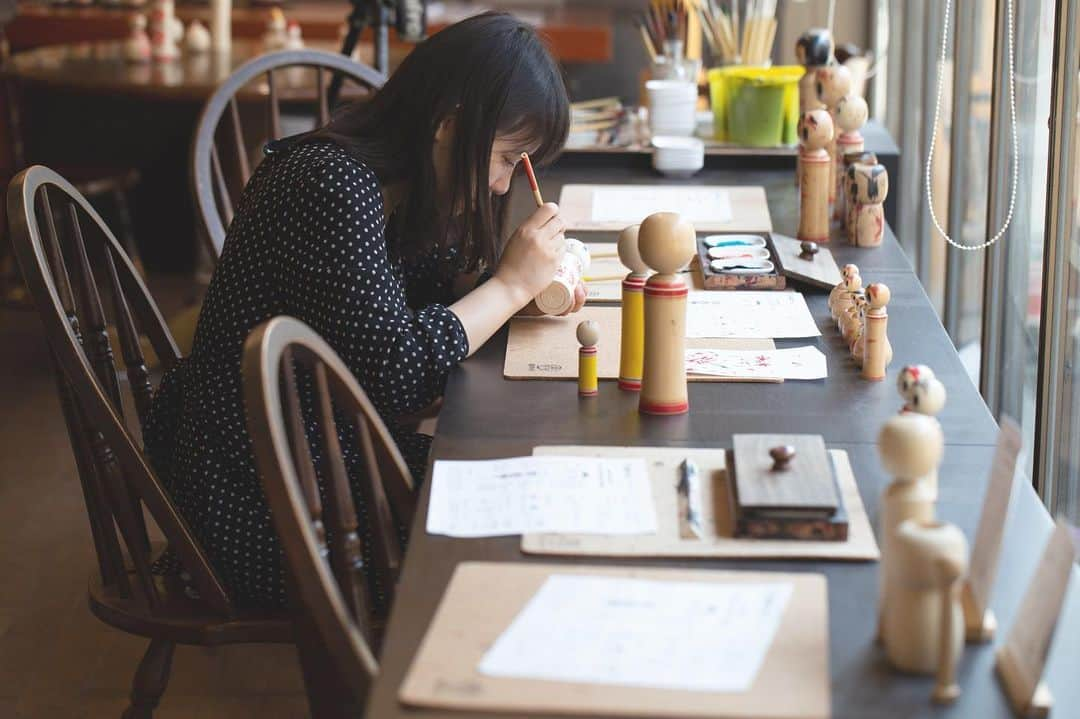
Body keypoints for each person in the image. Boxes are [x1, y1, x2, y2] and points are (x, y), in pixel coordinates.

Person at [144, 12, 575, 608]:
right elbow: (397, 376)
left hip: (315, 442)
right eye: (506, 159)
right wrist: (505, 287)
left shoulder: (399, 179)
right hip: (256, 491)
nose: (504, 186)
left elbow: (429, 304)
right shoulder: (329, 183)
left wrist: (524, 285)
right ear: (449, 126)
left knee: (526, 471)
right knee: (513, 513)